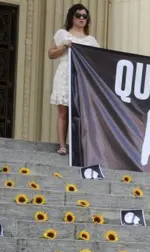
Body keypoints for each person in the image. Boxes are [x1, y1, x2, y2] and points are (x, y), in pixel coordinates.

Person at [48, 4, 100, 155]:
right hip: (65, 73)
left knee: (81, 112)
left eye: (85, 16)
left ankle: (80, 146)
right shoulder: (62, 34)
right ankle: (62, 145)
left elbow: (98, 59)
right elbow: (51, 54)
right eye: (79, 15)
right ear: (72, 17)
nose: (82, 18)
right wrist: (64, 47)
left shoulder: (91, 40)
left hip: (82, 77)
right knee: (63, 111)